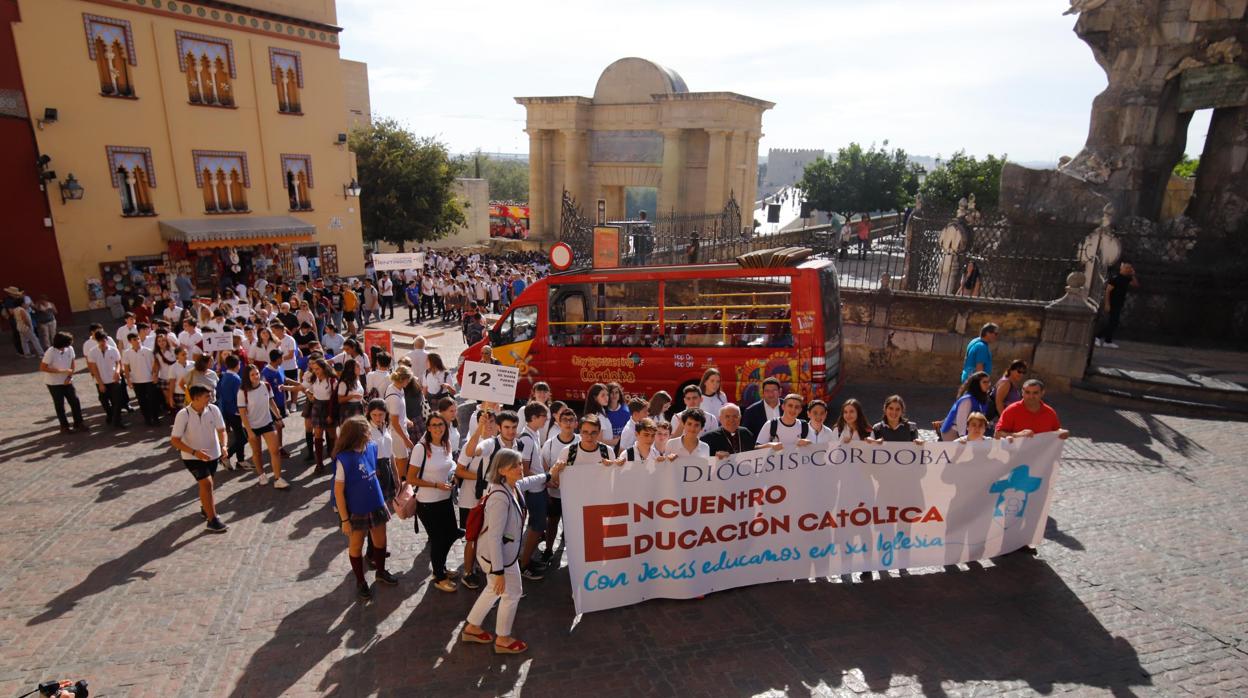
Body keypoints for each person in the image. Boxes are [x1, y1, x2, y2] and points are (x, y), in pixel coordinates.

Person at [461, 449, 567, 655]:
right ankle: (503, 638)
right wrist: (499, 571)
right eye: (514, 466)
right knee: (512, 592)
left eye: (519, 464)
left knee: (494, 589)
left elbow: (528, 481)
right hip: (498, 557)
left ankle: (472, 627)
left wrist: (549, 473)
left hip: (498, 555)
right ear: (501, 470)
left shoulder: (510, 485)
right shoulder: (500, 498)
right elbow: (494, 537)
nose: (519, 468)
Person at [333, 415, 398, 600]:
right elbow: (338, 492)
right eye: (367, 430)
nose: (370, 432)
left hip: (375, 502)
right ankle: (361, 581)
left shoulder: (372, 447)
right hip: (357, 508)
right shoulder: (343, 459)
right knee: (356, 545)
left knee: (380, 540)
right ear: (357, 434)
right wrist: (345, 519)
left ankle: (381, 571)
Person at [407, 411, 459, 592]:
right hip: (428, 503)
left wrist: (453, 479)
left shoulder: (446, 444)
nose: (438, 428)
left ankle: (441, 567)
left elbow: (450, 467)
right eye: (434, 425)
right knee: (438, 539)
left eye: (441, 424)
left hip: (445, 500)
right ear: (428, 428)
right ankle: (439, 576)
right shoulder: (421, 448)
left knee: (451, 533)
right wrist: (436, 485)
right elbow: (411, 478)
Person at [170, 385, 228, 533]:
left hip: (213, 455)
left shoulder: (214, 410)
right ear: (195, 398)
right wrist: (195, 453)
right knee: (207, 484)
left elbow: (222, 430)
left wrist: (224, 446)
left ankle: (205, 508)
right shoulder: (183, 415)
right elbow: (175, 440)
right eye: (207, 396)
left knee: (207, 486)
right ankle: (212, 520)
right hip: (192, 457)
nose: (211, 398)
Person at [539, 404, 578, 564]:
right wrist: (550, 481)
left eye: (571, 420)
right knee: (553, 522)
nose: (568, 423)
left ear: (576, 423)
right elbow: (544, 466)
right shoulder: (549, 444)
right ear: (559, 423)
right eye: (565, 420)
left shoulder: (582, 441)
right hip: (555, 494)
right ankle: (549, 549)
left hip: (576, 494)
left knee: (574, 525)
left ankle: (576, 553)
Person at [239, 363, 287, 488]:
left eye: (257, 374)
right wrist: (249, 431)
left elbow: (272, 403)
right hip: (252, 426)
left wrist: (279, 417)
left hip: (267, 423)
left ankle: (278, 478)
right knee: (257, 452)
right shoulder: (242, 392)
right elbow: (243, 413)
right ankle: (261, 475)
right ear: (247, 377)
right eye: (252, 375)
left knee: (275, 451)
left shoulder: (266, 386)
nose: (256, 376)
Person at [41, 331, 86, 433]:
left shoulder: (69, 349)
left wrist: (69, 377)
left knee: (75, 401)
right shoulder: (50, 352)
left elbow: (72, 363)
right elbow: (43, 367)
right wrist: (61, 371)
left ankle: (78, 423)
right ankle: (64, 426)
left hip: (67, 381)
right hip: (54, 383)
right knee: (59, 404)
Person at [996, 378, 1070, 440]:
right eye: (1027, 392)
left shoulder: (1050, 412)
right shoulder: (1011, 410)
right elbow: (997, 434)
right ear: (1022, 392)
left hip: (1041, 456)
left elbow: (1056, 431)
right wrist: (1017, 435)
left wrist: (1062, 432)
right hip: (1016, 456)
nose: (1031, 396)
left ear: (1042, 393)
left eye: (1035, 393)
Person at [87, 330, 126, 428]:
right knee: (104, 401)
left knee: (117, 401)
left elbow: (118, 362)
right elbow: (94, 368)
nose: (103, 343)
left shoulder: (113, 350)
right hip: (102, 380)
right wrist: (100, 383)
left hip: (113, 379)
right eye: (100, 341)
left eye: (104, 340)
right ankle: (110, 414)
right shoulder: (92, 352)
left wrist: (117, 372)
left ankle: (117, 421)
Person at [1095, 261, 1139, 349]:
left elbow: (1135, 284)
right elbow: (1108, 291)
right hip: (1113, 303)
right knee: (1111, 322)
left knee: (1114, 322)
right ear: (1121, 269)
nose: (1128, 270)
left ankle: (1107, 340)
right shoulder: (1115, 278)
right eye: (1126, 268)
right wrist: (1107, 303)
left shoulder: (1126, 279)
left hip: (1119, 303)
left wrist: (1133, 274)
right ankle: (1098, 337)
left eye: (1129, 268)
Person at [941, 372, 991, 441]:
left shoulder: (982, 398)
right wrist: (963, 438)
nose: (988, 385)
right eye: (984, 382)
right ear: (977, 384)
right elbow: (961, 420)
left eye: (989, 382)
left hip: (970, 432)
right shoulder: (967, 400)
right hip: (953, 432)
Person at [216, 354, 245, 467]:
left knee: (239, 436)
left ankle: (241, 460)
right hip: (234, 412)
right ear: (237, 365)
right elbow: (238, 397)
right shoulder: (236, 379)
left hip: (226, 410)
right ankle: (226, 456)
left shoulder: (224, 376)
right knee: (243, 438)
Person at [582, 383, 618, 447]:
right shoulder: (598, 417)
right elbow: (598, 441)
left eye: (607, 395)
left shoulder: (602, 411)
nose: (606, 398)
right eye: (602, 395)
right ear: (595, 398)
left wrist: (613, 436)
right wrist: (615, 442)